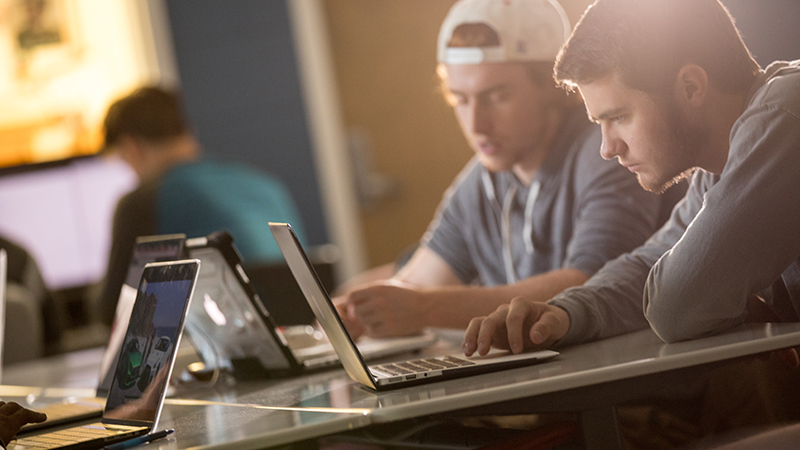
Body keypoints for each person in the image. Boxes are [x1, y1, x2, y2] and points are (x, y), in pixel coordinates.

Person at [462, 0, 800, 443]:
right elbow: (651, 264)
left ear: (692, 87)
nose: (607, 147)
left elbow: (675, 306)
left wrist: (716, 292)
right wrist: (563, 314)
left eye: (617, 117)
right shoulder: (717, 168)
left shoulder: (785, 113)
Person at [336, 0, 679, 339]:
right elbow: (415, 286)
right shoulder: (481, 179)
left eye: (496, 96)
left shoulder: (606, 151)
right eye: (461, 99)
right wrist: (363, 309)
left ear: (551, 84)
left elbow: (589, 282)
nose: (476, 124)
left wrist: (426, 309)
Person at [98, 86, 305, 326]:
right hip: (297, 336)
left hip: (226, 340)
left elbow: (115, 311)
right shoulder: (265, 184)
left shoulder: (146, 200)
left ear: (132, 148)